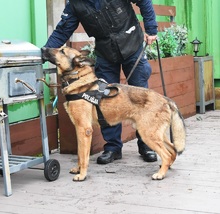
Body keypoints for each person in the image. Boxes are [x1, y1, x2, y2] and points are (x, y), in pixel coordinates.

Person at [43, 0, 158, 164]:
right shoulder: (75, 4)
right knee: (104, 99)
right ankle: (112, 147)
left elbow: (144, 1)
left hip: (132, 45)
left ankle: (147, 144)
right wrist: (45, 53)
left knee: (139, 97)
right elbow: (63, 30)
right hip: (105, 53)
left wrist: (151, 29)